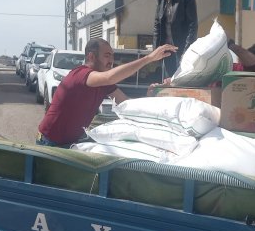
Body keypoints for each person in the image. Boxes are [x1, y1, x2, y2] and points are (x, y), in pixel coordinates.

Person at [37, 38, 176, 148]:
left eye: (112, 57)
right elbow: (110, 77)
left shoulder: (103, 83)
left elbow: (126, 103)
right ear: (91, 57)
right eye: (107, 56)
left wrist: (151, 94)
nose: (111, 61)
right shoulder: (81, 74)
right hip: (50, 142)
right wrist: (148, 58)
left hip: (71, 142)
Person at [153, 0, 198, 77]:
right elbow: (157, 25)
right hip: (167, 51)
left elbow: (193, 26)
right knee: (168, 82)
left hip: (182, 50)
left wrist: (187, 51)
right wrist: (155, 50)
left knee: (181, 81)